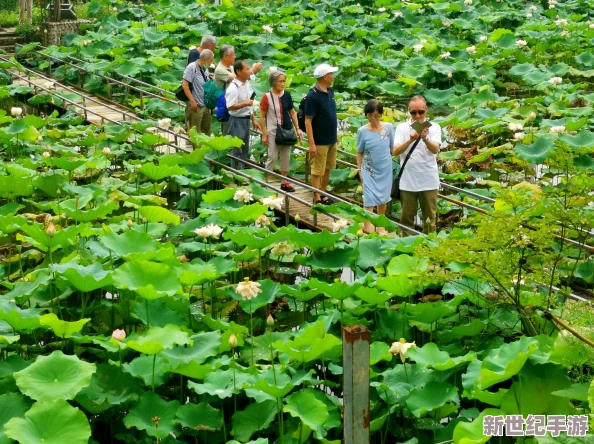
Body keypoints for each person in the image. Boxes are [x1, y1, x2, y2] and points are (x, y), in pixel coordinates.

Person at [392, 95, 442, 234]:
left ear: (426, 110)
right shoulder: (402, 127)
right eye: (413, 112)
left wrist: (425, 139)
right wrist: (410, 140)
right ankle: (407, 249)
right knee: (407, 219)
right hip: (408, 181)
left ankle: (429, 249)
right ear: (409, 111)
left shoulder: (435, 127)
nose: (417, 115)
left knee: (430, 219)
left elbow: (435, 150)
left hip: (429, 181)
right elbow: (395, 151)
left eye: (421, 111)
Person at [260, 70, 303, 192]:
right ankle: (264, 181)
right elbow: (262, 116)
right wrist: (264, 134)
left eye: (284, 81)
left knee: (286, 157)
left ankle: (285, 182)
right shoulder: (266, 97)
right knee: (272, 157)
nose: (283, 84)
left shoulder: (287, 95)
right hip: (273, 131)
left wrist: (297, 128)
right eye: (281, 81)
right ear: (273, 82)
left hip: (287, 130)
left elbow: (292, 112)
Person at [356, 100, 394, 235]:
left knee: (383, 196)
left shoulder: (389, 128)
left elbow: (392, 148)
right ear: (366, 115)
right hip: (368, 169)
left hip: (385, 168)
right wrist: (359, 169)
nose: (373, 118)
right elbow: (359, 152)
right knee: (369, 197)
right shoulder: (362, 131)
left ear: (381, 114)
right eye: (370, 115)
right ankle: (367, 226)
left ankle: (380, 226)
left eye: (376, 115)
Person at [304, 63, 339, 205]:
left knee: (328, 167)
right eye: (331, 73)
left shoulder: (330, 92)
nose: (333, 76)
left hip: (331, 138)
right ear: (325, 76)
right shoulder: (313, 96)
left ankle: (323, 193)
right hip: (319, 140)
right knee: (317, 170)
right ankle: (317, 197)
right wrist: (311, 143)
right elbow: (308, 121)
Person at [215, 45, 263, 135]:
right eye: (233, 54)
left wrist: (253, 71)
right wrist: (253, 70)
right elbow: (237, 79)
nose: (235, 57)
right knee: (229, 137)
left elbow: (243, 79)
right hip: (226, 107)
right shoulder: (219, 70)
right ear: (225, 57)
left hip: (240, 109)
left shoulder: (232, 68)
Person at [226, 60, 260, 169]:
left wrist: (253, 119)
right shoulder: (233, 87)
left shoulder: (247, 84)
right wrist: (245, 103)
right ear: (238, 72)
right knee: (237, 149)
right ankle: (235, 173)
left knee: (244, 149)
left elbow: (250, 102)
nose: (249, 71)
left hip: (246, 120)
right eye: (246, 69)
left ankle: (242, 172)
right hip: (236, 120)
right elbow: (230, 106)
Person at [182, 49, 214, 135]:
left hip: (205, 105)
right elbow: (185, 85)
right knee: (195, 132)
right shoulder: (192, 67)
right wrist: (192, 101)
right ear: (204, 59)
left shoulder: (204, 69)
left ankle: (206, 148)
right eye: (211, 60)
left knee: (206, 132)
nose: (211, 63)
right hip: (196, 105)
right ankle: (196, 148)